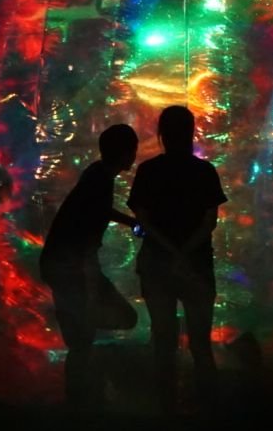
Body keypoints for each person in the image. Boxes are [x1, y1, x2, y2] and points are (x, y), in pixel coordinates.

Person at [128, 105, 227, 412]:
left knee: (163, 341)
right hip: (196, 265)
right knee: (201, 344)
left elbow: (142, 219)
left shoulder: (148, 171)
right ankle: (209, 413)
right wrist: (185, 252)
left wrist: (168, 250)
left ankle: (164, 412)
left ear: (162, 134)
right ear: (191, 132)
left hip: (157, 265)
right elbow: (210, 221)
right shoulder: (205, 172)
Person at [39, 124, 140, 408]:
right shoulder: (100, 179)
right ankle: (81, 400)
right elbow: (86, 231)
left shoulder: (97, 174)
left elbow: (95, 210)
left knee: (83, 336)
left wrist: (129, 222)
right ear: (125, 153)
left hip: (59, 264)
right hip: (70, 267)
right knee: (95, 332)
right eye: (132, 149)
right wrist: (91, 284)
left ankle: (80, 396)